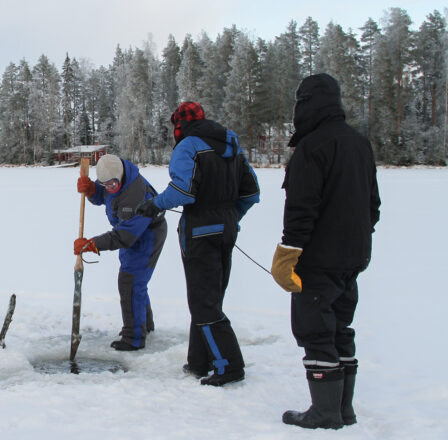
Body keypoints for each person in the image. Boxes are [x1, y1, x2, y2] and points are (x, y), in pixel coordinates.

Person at [271, 73, 380, 429]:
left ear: (306, 104)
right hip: (354, 257)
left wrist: (288, 253)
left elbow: (301, 208)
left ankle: (326, 413)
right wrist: (356, 238)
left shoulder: (312, 147)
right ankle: (343, 409)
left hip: (318, 260)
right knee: (340, 328)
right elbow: (373, 206)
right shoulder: (358, 143)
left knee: (316, 331)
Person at [135, 102, 260, 386]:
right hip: (227, 228)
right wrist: (229, 217)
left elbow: (183, 191)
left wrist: (154, 203)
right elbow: (251, 192)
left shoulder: (188, 146)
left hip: (200, 229)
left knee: (204, 303)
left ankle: (229, 366)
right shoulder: (231, 143)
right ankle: (199, 361)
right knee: (209, 298)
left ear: (179, 125)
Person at [74, 154, 168, 351]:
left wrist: (92, 244)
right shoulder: (116, 181)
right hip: (131, 234)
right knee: (135, 282)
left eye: (112, 184)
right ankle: (144, 327)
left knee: (130, 282)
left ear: (121, 176)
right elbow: (107, 196)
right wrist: (92, 191)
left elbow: (124, 235)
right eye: (104, 184)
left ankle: (133, 338)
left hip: (145, 236)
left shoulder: (135, 195)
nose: (109, 188)